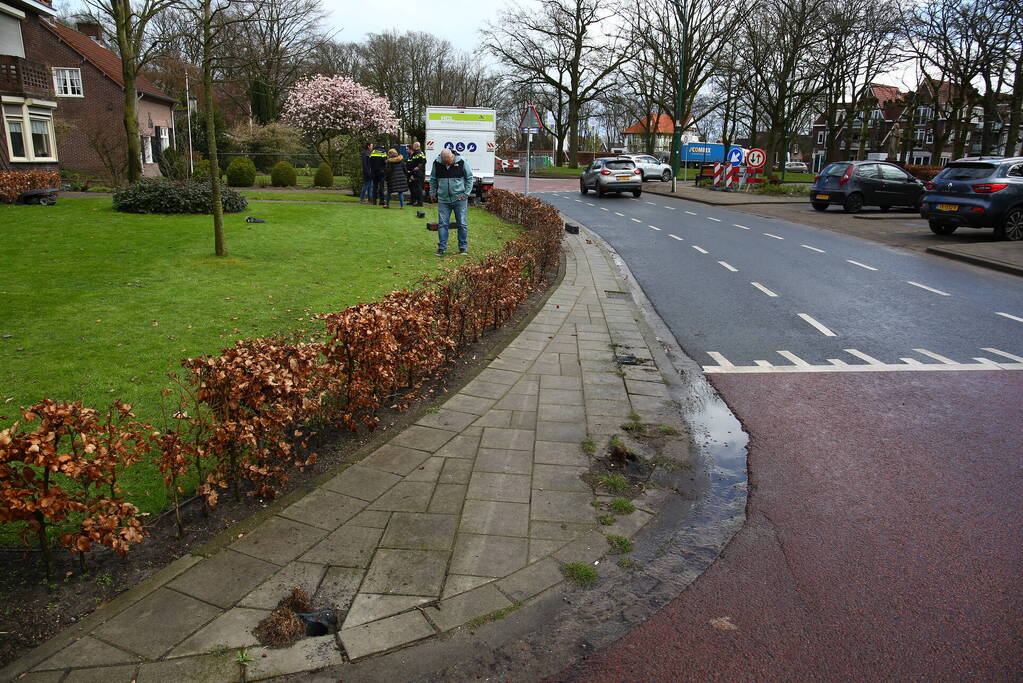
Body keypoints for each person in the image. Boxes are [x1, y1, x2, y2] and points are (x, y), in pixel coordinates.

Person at [429, 148, 474, 255]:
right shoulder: (437, 163)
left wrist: (466, 193)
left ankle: (463, 247)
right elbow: (433, 178)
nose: (446, 163)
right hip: (443, 199)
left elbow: (470, 178)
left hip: (460, 199)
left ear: (452, 156)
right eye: (444, 161)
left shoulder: (462, 162)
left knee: (462, 223)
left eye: (448, 161)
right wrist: (432, 192)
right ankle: (442, 248)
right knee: (442, 224)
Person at [406, 141, 427, 207]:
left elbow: (423, 161)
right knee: (415, 188)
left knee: (418, 188)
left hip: (418, 173)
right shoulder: (415, 153)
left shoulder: (419, 153)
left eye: (414, 145)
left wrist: (418, 167)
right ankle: (415, 201)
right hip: (414, 173)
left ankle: (420, 203)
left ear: (416, 146)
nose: (413, 146)